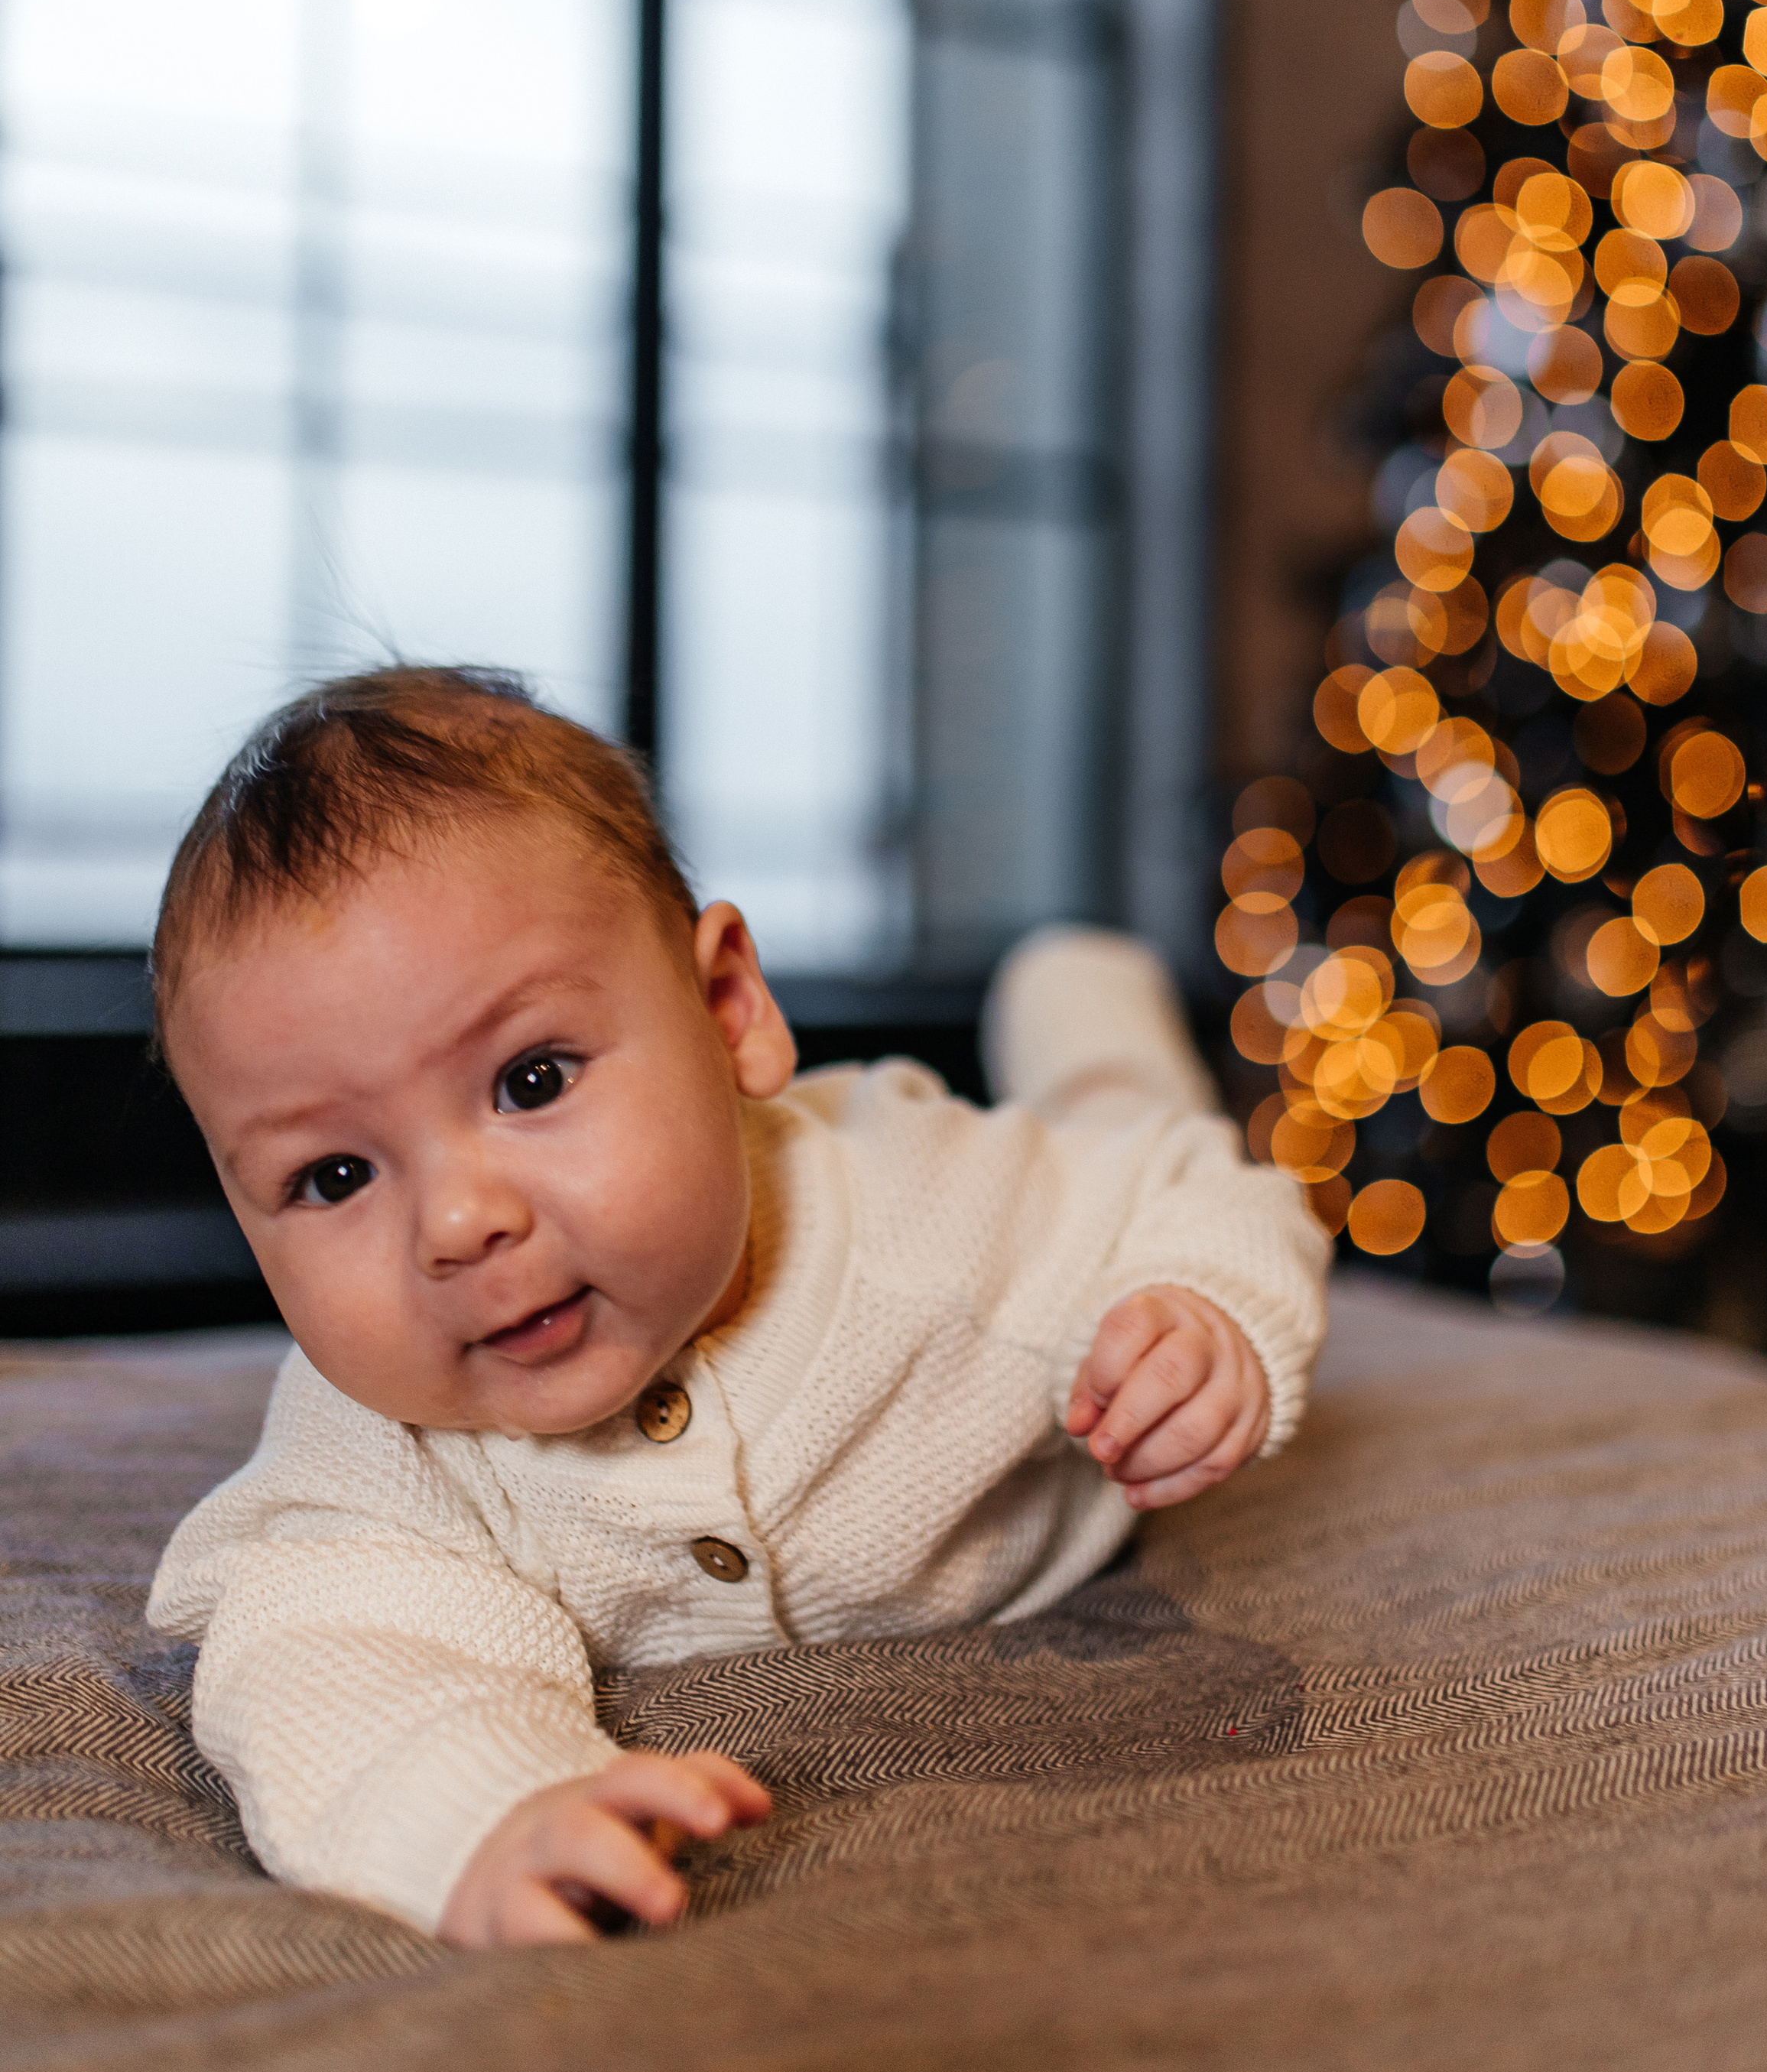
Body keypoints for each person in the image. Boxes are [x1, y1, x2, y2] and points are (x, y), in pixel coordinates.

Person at [147, 667, 1330, 1949]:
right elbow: (333, 1658)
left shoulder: (937, 1223)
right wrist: (483, 1808)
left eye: (531, 1080)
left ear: (728, 1013)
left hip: (1038, 1206)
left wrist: (1205, 1313)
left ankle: (1079, 994)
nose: (455, 1223)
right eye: (335, 1176)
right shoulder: (375, 1447)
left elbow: (1201, 1197)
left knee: (1125, 1114)